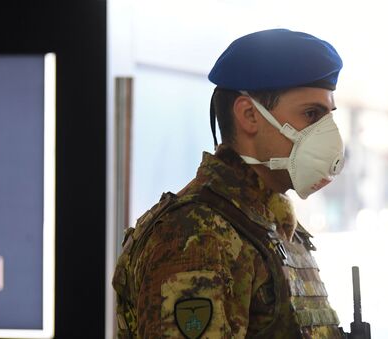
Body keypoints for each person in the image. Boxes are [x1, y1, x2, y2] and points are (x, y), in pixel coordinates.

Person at [112, 28, 347, 338]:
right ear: (249, 115)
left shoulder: (272, 225)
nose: (327, 133)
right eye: (311, 114)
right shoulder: (196, 236)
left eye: (327, 115)